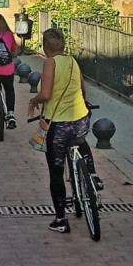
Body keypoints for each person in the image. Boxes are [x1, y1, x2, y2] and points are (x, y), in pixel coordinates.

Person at [28, 28, 103, 234]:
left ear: (45, 47)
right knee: (80, 140)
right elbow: (82, 87)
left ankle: (61, 219)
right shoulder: (72, 61)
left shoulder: (50, 63)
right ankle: (93, 175)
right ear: (63, 46)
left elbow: (45, 94)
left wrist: (33, 101)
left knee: (56, 173)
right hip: (81, 120)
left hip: (59, 125)